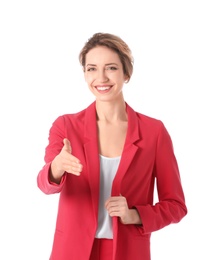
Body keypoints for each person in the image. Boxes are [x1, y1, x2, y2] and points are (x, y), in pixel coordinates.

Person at [37, 32, 187, 260]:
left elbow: (176, 205)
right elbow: (45, 185)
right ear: (85, 74)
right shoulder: (66, 126)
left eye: (111, 68)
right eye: (92, 69)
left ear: (126, 73)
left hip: (128, 252)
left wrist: (135, 214)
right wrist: (56, 167)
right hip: (71, 251)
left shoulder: (154, 132)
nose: (101, 78)